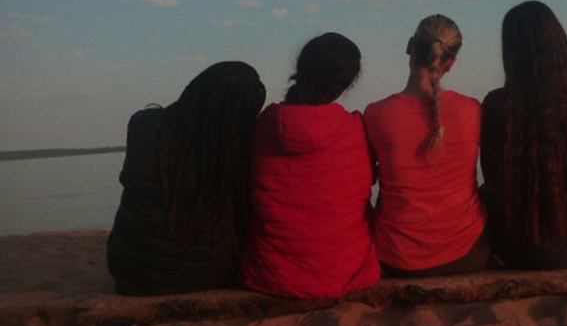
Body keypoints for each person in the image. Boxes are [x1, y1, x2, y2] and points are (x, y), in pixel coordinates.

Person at [480, 1, 567, 270]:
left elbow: (492, 177)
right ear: (560, 41)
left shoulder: (499, 104)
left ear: (510, 50)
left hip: (531, 250)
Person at [108, 61, 266, 296]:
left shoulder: (144, 125)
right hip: (210, 277)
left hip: (132, 270)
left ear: (194, 88)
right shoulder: (244, 148)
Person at [242, 33, 380, 299]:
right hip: (348, 271)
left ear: (300, 68)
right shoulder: (355, 128)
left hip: (272, 275)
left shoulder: (262, 126)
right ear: (343, 87)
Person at [364, 14, 489, 277]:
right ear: (452, 63)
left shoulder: (376, 114)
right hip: (468, 254)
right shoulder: (473, 110)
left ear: (409, 47)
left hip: (397, 259)